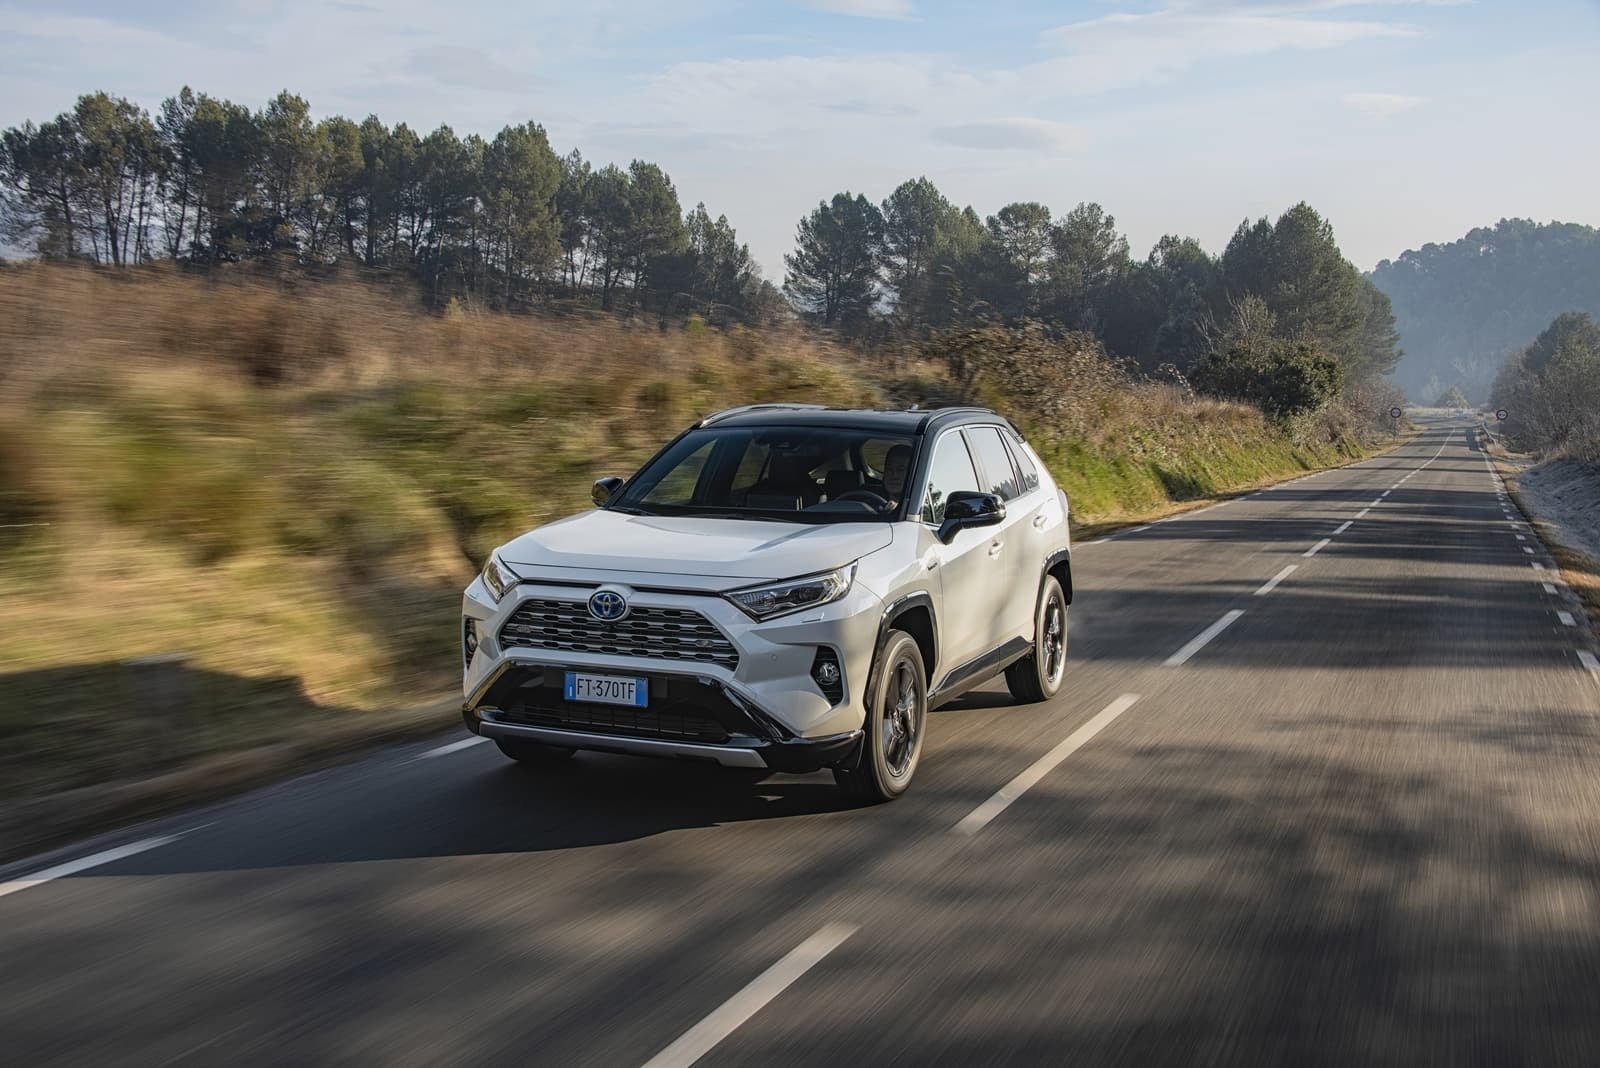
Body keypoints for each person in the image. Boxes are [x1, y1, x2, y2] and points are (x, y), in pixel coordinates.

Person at [880, 443, 912, 510]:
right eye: (889, 469)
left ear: (911, 473)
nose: (894, 475)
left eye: (900, 470)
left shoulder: (915, 505)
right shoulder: (866, 501)